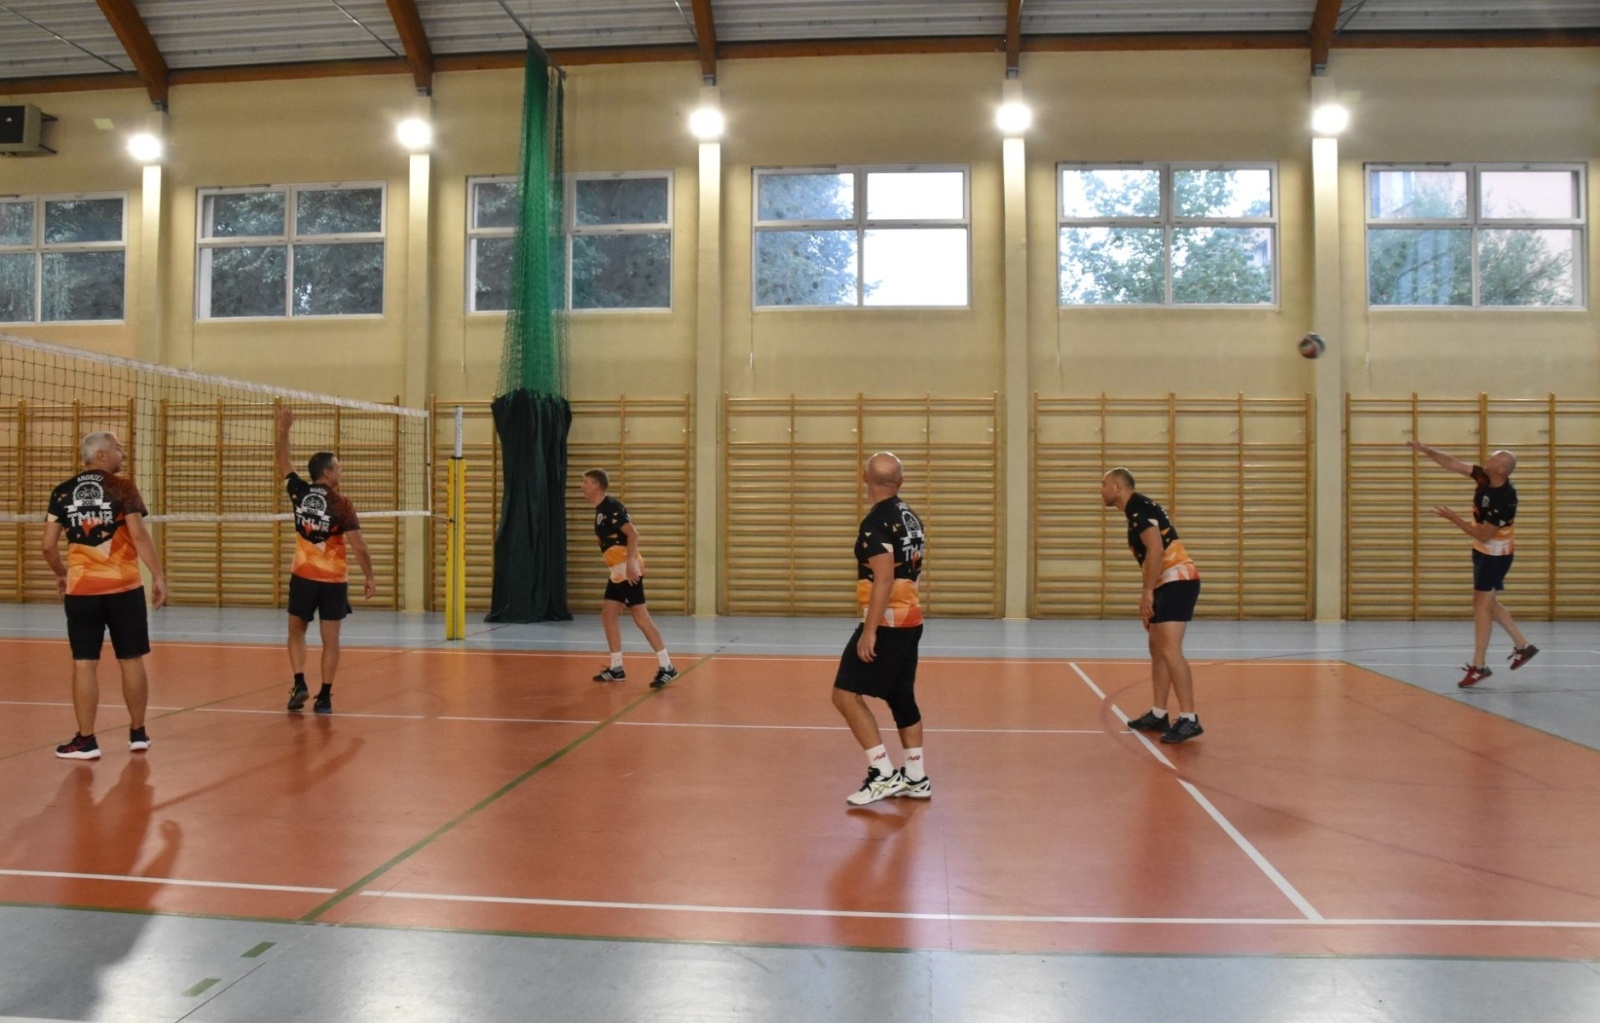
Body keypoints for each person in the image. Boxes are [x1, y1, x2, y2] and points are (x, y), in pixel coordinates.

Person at [42, 432, 167, 759]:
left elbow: (47, 546)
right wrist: (158, 575)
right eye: (117, 448)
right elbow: (138, 535)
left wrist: (61, 574)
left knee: (84, 663)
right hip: (124, 589)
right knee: (131, 659)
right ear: (100, 455)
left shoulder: (62, 492)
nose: (122, 453)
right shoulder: (123, 488)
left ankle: (86, 740)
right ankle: (138, 734)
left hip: (82, 591)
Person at [831, 451, 930, 805]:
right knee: (901, 696)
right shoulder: (911, 517)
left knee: (844, 694)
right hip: (911, 619)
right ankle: (916, 777)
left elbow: (884, 579)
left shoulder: (875, 523)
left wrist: (870, 630)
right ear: (899, 482)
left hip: (888, 623)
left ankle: (883, 772)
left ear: (864, 478)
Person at [1407, 439, 1538, 687]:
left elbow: (1483, 534)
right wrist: (1426, 450)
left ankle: (1479, 666)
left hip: (1496, 554)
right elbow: (1452, 464)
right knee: (1488, 603)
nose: (1487, 459)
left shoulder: (1505, 499)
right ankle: (1524, 646)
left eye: (1493, 459)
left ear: (1502, 469)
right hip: (1481, 551)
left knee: (1481, 606)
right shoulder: (1484, 477)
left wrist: (1453, 518)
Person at [274, 406, 375, 714]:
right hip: (333, 581)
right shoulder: (342, 503)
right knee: (331, 640)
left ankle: (299, 682)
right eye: (338, 468)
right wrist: (370, 577)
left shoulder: (299, 493)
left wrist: (283, 430)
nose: (341, 472)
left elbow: (283, 461)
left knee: (296, 631)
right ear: (328, 473)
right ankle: (325, 698)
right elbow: (359, 547)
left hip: (303, 577)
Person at [1100, 467, 1203, 744]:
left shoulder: (1139, 506)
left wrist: (1147, 592)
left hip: (1178, 581)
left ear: (1118, 487)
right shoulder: (1135, 510)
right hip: (1164, 583)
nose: (1101, 490)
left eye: (1104, 484)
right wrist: (1152, 591)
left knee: (1170, 650)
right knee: (1157, 648)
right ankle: (1159, 713)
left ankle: (1189, 718)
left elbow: (1156, 550)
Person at [580, 468, 677, 688]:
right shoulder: (601, 509)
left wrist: (632, 563)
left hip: (627, 569)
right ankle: (616, 668)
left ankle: (667, 666)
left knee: (641, 617)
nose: (582, 487)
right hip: (617, 571)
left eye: (586, 482)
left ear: (597, 485)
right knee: (608, 616)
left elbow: (633, 533)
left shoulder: (611, 507)